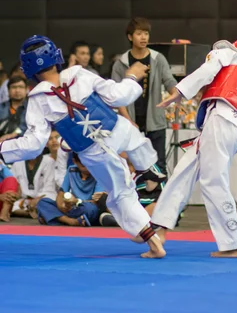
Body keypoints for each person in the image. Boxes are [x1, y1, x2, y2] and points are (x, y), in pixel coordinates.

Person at [0, 35, 166, 258]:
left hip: (95, 153)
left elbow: (33, 144)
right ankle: (150, 176)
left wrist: (3, 148)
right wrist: (131, 77)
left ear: (28, 68)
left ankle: (152, 241)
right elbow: (118, 96)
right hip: (120, 130)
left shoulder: (39, 99)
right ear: (56, 56)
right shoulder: (79, 74)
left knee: (120, 194)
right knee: (141, 152)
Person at [150, 37, 237, 258]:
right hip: (236, 130)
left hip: (221, 121)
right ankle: (159, 229)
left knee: (213, 180)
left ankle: (235, 243)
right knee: (183, 172)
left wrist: (180, 91)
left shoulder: (229, 54)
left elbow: (209, 68)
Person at [112, 17, 177, 174]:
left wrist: (176, 93)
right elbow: (115, 95)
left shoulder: (157, 58)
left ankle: (159, 198)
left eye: (146, 34)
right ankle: (138, 198)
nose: (144, 38)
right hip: (129, 122)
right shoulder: (121, 63)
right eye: (139, 33)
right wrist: (128, 119)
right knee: (133, 166)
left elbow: (169, 81)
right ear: (130, 37)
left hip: (155, 121)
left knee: (159, 166)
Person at [37, 153, 103, 226]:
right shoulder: (71, 169)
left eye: (89, 163)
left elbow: (96, 202)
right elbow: (61, 193)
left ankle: (56, 218)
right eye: (83, 165)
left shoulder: (99, 173)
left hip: (85, 207)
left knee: (91, 209)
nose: (87, 167)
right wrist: (62, 206)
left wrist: (77, 201)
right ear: (75, 161)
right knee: (43, 202)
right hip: (71, 207)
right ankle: (71, 221)